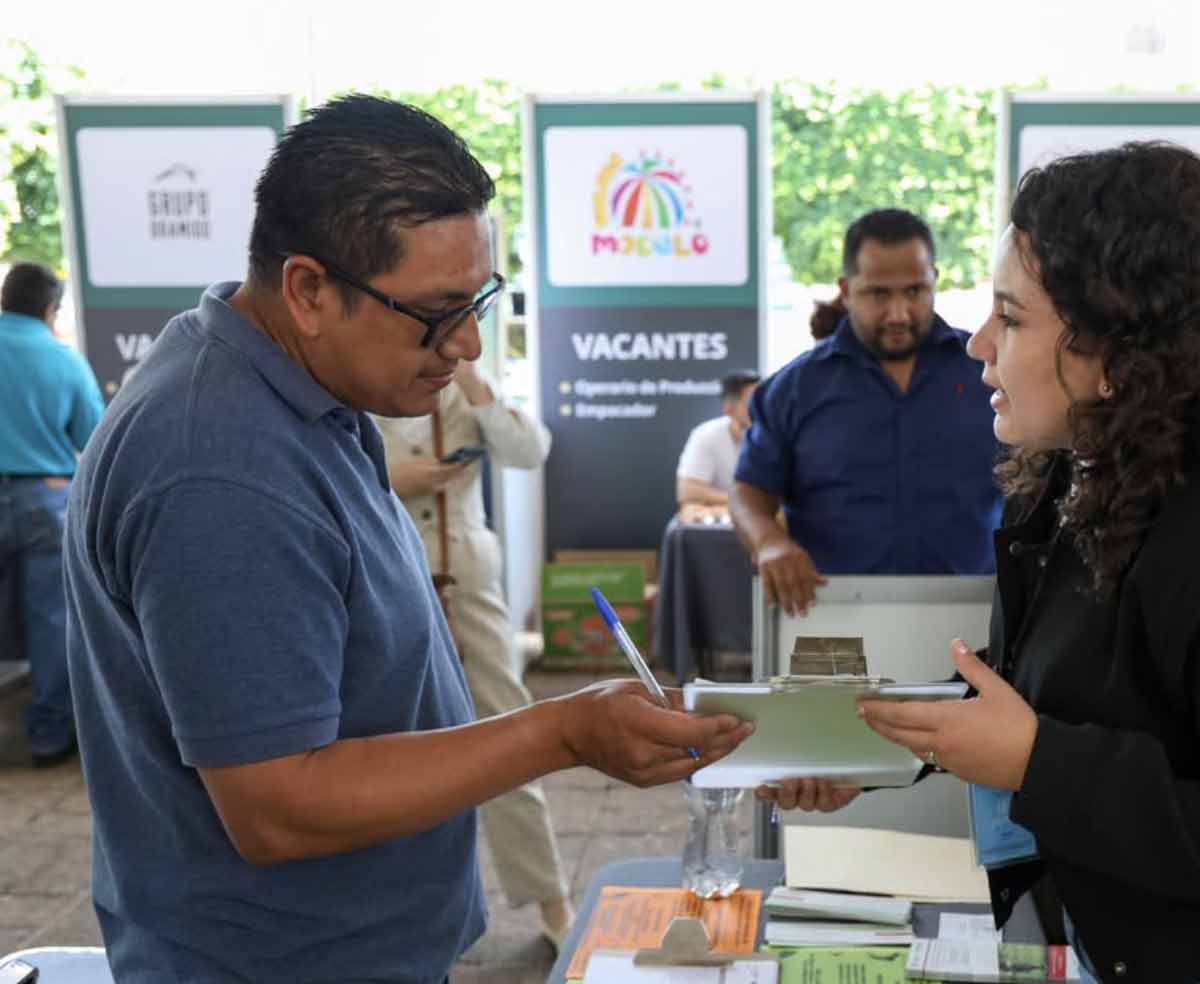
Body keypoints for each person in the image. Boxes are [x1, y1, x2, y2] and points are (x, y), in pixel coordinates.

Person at [63, 94, 751, 983]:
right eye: (436, 312)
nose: (465, 345)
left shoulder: (300, 385)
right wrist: (567, 732)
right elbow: (278, 804)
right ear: (309, 290)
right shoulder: (219, 468)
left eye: (480, 301)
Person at [857, 143, 1200, 983]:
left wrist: (1038, 763)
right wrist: (868, 745)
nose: (978, 345)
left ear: (1115, 351)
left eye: (1012, 318)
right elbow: (1061, 695)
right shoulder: (1082, 475)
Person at [374, 359, 577, 948]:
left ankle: (551, 898)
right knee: (389, 741)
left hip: (466, 577)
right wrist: (393, 477)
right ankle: (403, 909)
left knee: (509, 730)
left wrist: (476, 386)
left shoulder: (465, 387)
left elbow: (528, 450)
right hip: (383, 579)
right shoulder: (358, 380)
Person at [730, 208, 1002, 615]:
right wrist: (769, 542)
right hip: (830, 614)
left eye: (914, 291)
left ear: (934, 281)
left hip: (976, 612)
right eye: (879, 294)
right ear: (845, 290)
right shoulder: (794, 389)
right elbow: (747, 492)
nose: (899, 313)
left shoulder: (989, 373)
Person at [0, 261, 104, 767]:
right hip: (44, 497)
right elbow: (94, 437)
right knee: (51, 619)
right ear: (49, 308)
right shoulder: (63, 361)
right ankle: (48, 736)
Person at [675, 369, 760, 516]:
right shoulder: (707, 434)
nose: (762, 408)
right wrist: (740, 501)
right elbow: (687, 491)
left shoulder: (779, 433)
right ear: (729, 408)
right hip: (730, 518)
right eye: (753, 402)